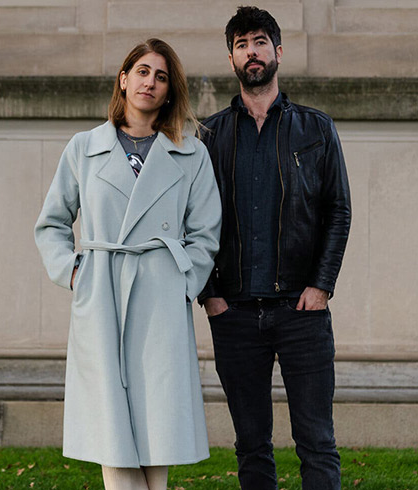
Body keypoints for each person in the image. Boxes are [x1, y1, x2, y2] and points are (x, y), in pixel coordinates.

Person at [35, 38, 221, 490]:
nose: (150, 82)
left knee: (158, 424)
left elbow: (206, 231)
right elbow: (51, 224)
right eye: (142, 71)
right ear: (123, 79)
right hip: (102, 294)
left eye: (161, 76)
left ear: (169, 91)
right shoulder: (84, 147)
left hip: (160, 295)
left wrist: (183, 281)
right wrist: (77, 274)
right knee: (110, 426)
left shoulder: (191, 152)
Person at [198, 6, 351, 490]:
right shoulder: (209, 136)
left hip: (302, 312)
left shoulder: (316, 128)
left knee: (317, 442)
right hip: (236, 314)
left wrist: (321, 286)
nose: (252, 52)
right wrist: (211, 295)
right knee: (252, 446)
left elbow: (337, 211)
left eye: (260, 42)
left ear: (278, 52)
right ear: (231, 58)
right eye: (242, 45)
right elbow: (189, 222)